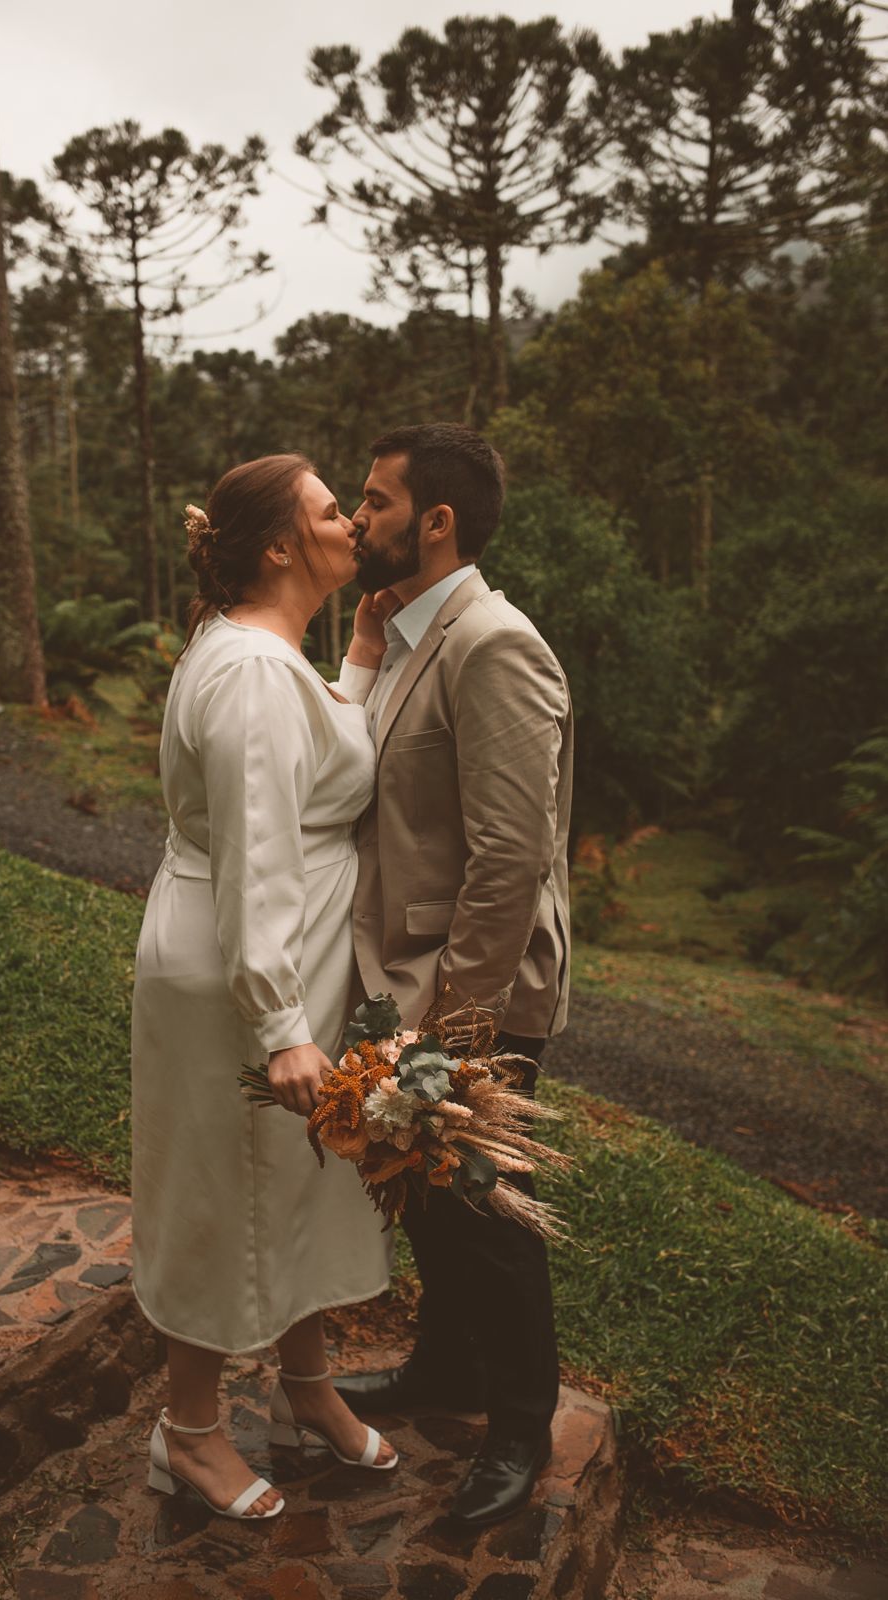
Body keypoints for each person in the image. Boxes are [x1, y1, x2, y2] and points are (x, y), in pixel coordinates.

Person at [131, 453, 398, 1523]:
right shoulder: (246, 669)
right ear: (282, 546)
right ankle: (189, 1435)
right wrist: (281, 1022)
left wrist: (364, 662)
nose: (350, 525)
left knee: (294, 1181)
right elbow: (256, 847)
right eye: (333, 510)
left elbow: (318, 749)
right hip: (242, 976)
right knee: (219, 1193)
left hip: (282, 961)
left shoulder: (269, 656)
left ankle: (304, 1392)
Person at [332, 423, 573, 1527]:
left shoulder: (493, 643)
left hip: (474, 991)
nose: (356, 516)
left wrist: (454, 1036)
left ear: (437, 520)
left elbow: (510, 861)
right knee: (430, 1199)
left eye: (374, 501)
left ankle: (521, 1425)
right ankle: (445, 1373)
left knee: (486, 1209)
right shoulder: (410, 630)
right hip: (405, 978)